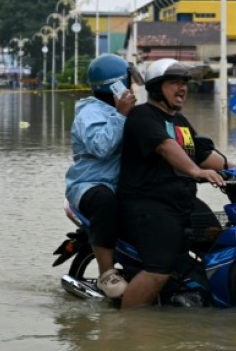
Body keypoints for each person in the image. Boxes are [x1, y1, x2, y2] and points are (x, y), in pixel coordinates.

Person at [117, 58, 227, 309]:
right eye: (175, 82)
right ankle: (125, 322)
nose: (182, 88)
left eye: (185, 83)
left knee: (217, 239)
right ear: (157, 88)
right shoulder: (143, 116)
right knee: (159, 268)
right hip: (150, 204)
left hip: (182, 201)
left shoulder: (180, 121)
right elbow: (166, 147)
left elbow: (202, 155)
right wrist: (196, 171)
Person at [64, 53, 138, 298]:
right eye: (128, 82)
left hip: (121, 185)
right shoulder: (90, 113)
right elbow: (101, 146)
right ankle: (106, 273)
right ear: (117, 85)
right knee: (105, 202)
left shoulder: (126, 111)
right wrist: (121, 115)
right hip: (89, 185)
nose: (132, 88)